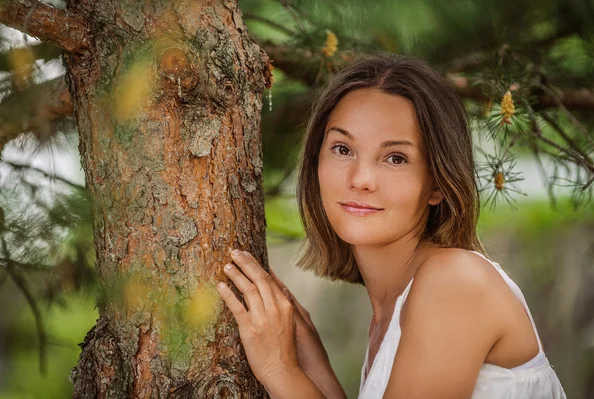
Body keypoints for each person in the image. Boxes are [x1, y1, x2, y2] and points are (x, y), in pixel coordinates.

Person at [216, 53, 568, 399]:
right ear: (315, 160)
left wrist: (281, 370)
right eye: (342, 148)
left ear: (437, 185)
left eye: (395, 158)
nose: (361, 178)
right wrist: (312, 364)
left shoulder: (455, 282)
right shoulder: (390, 314)